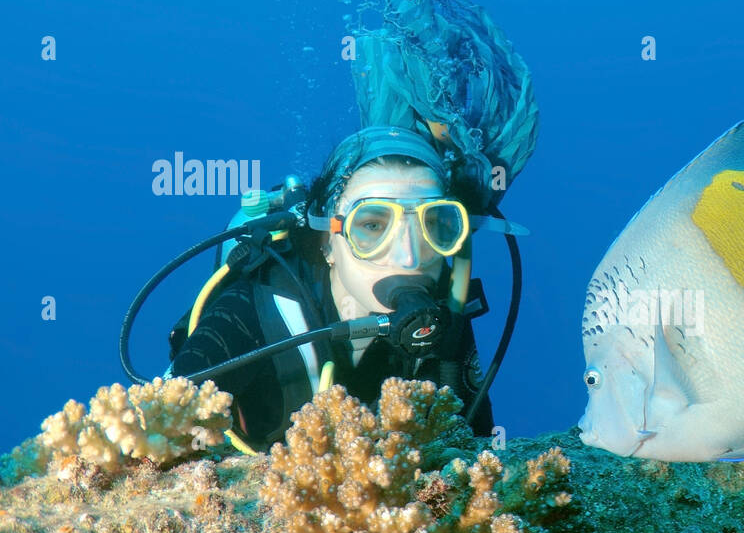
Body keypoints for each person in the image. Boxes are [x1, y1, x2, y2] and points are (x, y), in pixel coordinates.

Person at [167, 124, 521, 449]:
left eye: (433, 223)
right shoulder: (254, 305)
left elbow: (473, 445)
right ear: (326, 242)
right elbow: (161, 422)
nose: (410, 257)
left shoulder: (444, 312)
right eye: (371, 225)